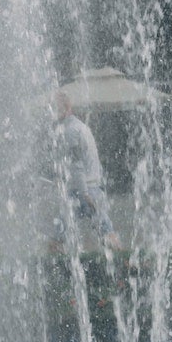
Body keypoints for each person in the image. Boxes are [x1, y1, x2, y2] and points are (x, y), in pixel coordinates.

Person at [53, 89, 119, 251]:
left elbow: (77, 165)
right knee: (106, 233)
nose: (53, 112)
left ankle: (53, 260)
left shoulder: (70, 131)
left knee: (58, 239)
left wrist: (84, 194)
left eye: (55, 108)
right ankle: (124, 262)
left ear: (66, 107)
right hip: (92, 188)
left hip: (81, 192)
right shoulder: (82, 127)